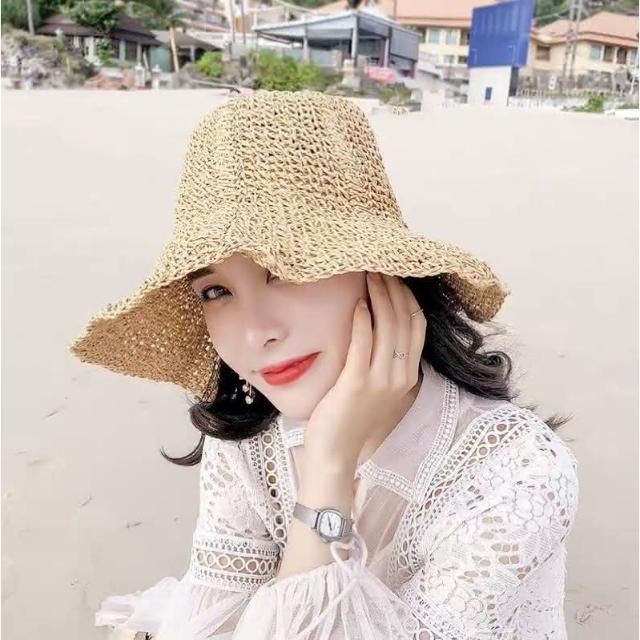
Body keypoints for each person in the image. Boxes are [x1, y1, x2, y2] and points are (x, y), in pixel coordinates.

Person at [68, 90, 579, 640]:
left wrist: (329, 468)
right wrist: (327, 468)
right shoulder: (250, 439)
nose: (256, 332)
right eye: (216, 291)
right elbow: (214, 619)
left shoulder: (515, 471)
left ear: (381, 271)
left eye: (287, 270)